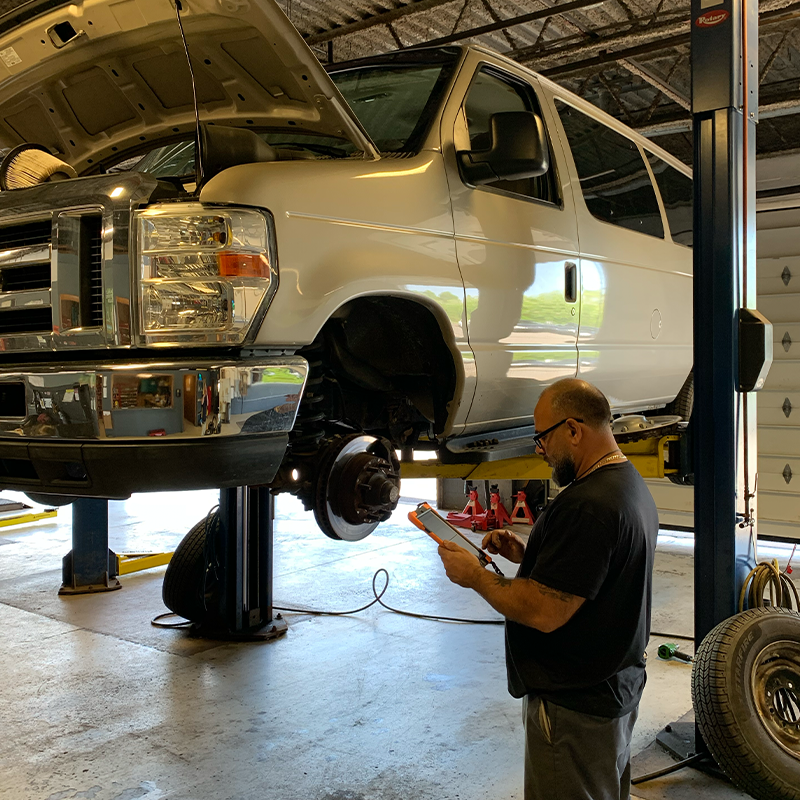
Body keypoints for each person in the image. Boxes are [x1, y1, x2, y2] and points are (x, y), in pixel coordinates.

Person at [437, 378, 658, 800]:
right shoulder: (626, 484)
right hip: (614, 689)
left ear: (574, 430)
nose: (541, 451)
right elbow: (599, 570)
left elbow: (545, 611)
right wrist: (532, 554)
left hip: (577, 708)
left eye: (543, 438)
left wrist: (476, 576)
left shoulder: (588, 505)